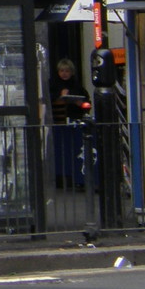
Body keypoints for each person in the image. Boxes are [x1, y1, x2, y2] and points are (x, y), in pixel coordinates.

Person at [50, 57, 89, 190]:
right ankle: (60, 178)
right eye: (62, 71)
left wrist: (81, 104)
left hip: (75, 123)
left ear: (72, 72)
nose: (64, 73)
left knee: (75, 151)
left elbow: (87, 104)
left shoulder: (77, 87)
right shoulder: (53, 86)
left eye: (67, 71)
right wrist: (59, 97)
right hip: (58, 125)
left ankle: (78, 180)